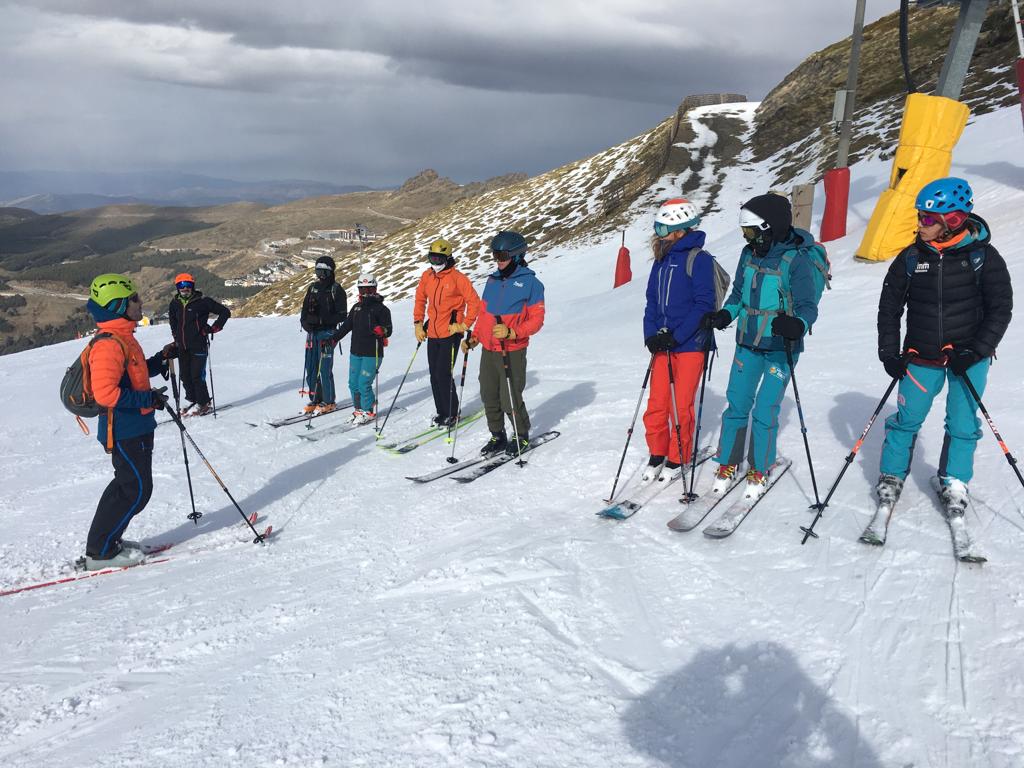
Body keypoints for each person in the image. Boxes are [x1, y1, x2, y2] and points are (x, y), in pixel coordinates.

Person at [875, 177, 1012, 513]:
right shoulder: (910, 257)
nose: (920, 224)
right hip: (921, 357)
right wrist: (889, 353)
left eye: (928, 219)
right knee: (906, 420)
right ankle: (892, 476)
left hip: (969, 358)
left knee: (963, 423)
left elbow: (1000, 309)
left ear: (952, 221)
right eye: (920, 216)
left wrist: (976, 350)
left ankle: (954, 480)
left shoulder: (983, 257)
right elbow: (889, 308)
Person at [702, 193, 820, 499]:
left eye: (752, 232)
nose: (748, 239)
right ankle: (728, 462)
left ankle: (760, 466)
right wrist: (726, 314)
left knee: (766, 410)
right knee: (737, 405)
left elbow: (808, 305)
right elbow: (740, 292)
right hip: (747, 343)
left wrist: (798, 325)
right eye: (745, 233)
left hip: (781, 347)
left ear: (771, 227)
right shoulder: (748, 254)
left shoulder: (797, 260)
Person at [83, 273, 173, 570]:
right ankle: (101, 552)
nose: (140, 302)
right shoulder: (109, 344)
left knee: (127, 487)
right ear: (119, 305)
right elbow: (107, 393)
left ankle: (106, 541)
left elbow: (133, 376)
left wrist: (160, 359)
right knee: (135, 491)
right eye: (134, 299)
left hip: (136, 426)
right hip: (123, 430)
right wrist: (148, 400)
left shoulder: (124, 337)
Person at [641, 198, 717, 484]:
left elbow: (703, 304)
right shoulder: (661, 260)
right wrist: (651, 335)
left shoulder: (699, 258)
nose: (659, 233)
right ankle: (657, 452)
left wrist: (678, 336)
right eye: (658, 228)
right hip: (662, 344)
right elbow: (651, 302)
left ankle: (678, 456)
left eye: (663, 228)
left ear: (680, 230)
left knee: (680, 404)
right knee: (657, 403)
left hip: (690, 344)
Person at [462, 231, 545, 456]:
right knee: (489, 395)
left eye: (502, 255)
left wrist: (512, 332)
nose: (498, 261)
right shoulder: (492, 280)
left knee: (510, 398)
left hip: (512, 350)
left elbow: (537, 320)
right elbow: (484, 314)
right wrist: (475, 338)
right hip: (489, 349)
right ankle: (497, 436)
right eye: (494, 255)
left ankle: (521, 435)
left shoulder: (531, 284)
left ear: (517, 255)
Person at [413, 238, 480, 427]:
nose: (435, 263)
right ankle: (441, 412)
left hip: (451, 333)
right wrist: (418, 323)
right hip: (432, 332)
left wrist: (464, 325)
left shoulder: (458, 278)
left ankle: (452, 413)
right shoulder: (427, 276)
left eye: (438, 258)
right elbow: (420, 299)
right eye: (431, 258)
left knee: (443, 373)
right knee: (434, 374)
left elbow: (474, 302)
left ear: (448, 257)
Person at [167, 272, 230, 416]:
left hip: (198, 345)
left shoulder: (203, 301)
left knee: (197, 376)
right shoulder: (174, 303)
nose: (185, 289)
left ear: (192, 286)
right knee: (185, 376)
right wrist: (176, 337)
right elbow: (173, 321)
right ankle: (192, 400)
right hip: (182, 346)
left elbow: (225, 312)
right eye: (181, 286)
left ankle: (204, 403)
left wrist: (213, 328)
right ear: (177, 288)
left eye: (188, 286)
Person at [332, 273, 393, 424]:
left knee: (364, 383)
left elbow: (389, 329)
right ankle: (358, 409)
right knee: (353, 383)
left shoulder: (382, 309)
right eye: (362, 290)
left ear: (375, 289)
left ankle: (369, 410)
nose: (365, 293)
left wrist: (382, 330)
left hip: (372, 353)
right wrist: (333, 339)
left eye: (369, 289)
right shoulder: (356, 308)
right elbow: (346, 326)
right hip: (356, 352)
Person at [300, 256, 347, 414]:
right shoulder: (312, 288)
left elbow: (342, 315)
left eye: (323, 273)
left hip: (328, 333)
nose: (320, 276)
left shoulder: (336, 290)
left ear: (331, 273)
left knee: (324, 369)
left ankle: (329, 400)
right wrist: (305, 322)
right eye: (317, 272)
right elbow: (305, 309)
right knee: (311, 367)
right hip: (312, 333)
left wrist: (321, 320)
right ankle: (315, 398)